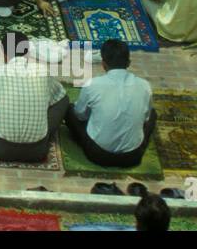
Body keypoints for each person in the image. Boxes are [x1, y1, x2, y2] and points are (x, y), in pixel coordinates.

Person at [0, 30, 70, 163]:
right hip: (37, 151)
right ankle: (39, 131)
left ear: (3, 52)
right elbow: (59, 96)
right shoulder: (42, 71)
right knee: (64, 100)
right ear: (28, 51)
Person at [65, 39, 156, 168]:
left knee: (69, 110)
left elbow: (80, 115)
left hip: (98, 155)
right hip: (132, 157)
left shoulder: (93, 84)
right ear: (129, 63)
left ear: (103, 64)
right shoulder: (144, 86)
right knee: (153, 114)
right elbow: (146, 119)